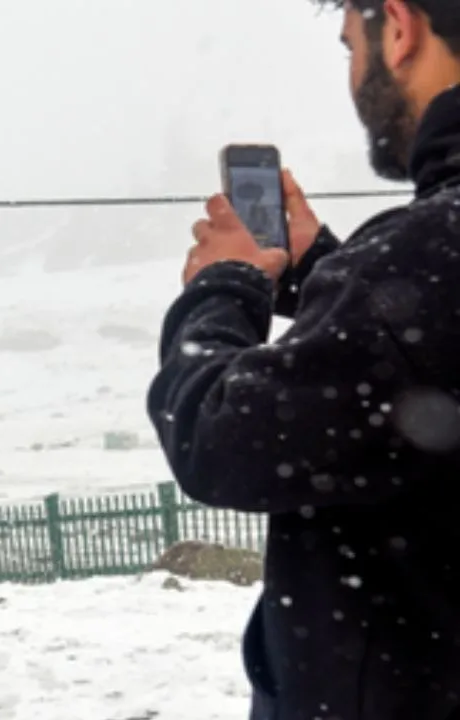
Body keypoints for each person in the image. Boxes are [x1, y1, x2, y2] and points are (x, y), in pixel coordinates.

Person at [147, 2, 459, 718]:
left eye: (352, 46)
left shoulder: (424, 257)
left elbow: (221, 437)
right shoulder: (412, 272)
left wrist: (224, 286)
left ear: (401, 29)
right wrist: (327, 269)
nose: (354, 75)